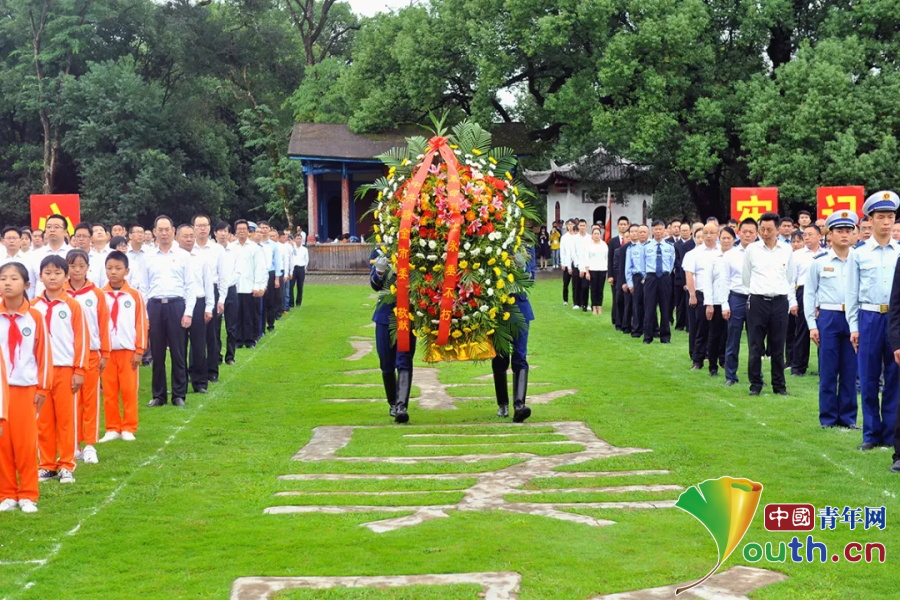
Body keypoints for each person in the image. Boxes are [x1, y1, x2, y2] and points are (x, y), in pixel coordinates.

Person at [848, 191, 900, 451]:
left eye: (891, 216)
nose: (886, 222)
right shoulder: (859, 253)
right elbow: (851, 292)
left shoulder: (899, 252)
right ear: (870, 219)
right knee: (868, 377)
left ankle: (890, 433)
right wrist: (854, 327)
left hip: (894, 318)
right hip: (868, 316)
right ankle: (870, 433)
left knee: (894, 377)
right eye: (881, 217)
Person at [32, 255, 89, 484]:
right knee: (43, 421)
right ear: (41, 276)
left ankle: (66, 464)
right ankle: (47, 464)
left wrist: (79, 370)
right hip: (40, 373)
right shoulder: (33, 307)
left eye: (57, 273)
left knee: (66, 419)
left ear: (66, 277)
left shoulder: (72, 305)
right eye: (48, 273)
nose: (52, 277)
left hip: (65, 370)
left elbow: (81, 339)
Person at [0, 262, 50, 513]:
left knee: (25, 443)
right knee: (3, 443)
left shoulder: (35, 317)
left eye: (13, 279)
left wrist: (42, 388)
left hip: (25, 388)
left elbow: (43, 355)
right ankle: (7, 493)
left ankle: (28, 493)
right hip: (1, 391)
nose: (7, 283)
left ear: (26, 285)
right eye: (2, 279)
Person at [807, 211, 859, 430]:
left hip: (854, 316)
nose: (845, 235)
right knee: (828, 370)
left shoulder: (859, 259)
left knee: (850, 370)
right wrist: (811, 325)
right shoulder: (819, 262)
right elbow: (809, 293)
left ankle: (847, 418)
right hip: (829, 316)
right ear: (830, 234)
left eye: (849, 230)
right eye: (840, 231)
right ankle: (827, 418)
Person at [141, 216, 197, 408]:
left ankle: (179, 394)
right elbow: (143, 288)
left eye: (167, 230)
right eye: (160, 230)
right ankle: (159, 395)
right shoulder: (147, 256)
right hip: (155, 306)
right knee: (157, 353)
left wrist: (188, 312)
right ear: (155, 231)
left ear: (173, 231)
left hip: (176, 305)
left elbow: (190, 286)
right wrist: (146, 315)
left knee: (178, 352)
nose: (164, 233)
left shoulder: (183, 256)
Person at [743, 212, 797, 396]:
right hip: (758, 301)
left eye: (770, 229)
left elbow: (790, 277)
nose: (766, 233)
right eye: (762, 229)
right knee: (755, 345)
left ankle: (779, 386)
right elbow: (746, 277)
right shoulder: (752, 249)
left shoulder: (787, 250)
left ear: (778, 229)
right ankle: (755, 385)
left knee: (777, 346)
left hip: (779, 302)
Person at [64, 249, 111, 465]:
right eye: (73, 266)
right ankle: (72, 445)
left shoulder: (97, 294)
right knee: (70, 402)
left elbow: (103, 325)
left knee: (90, 400)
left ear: (88, 268)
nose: (77, 270)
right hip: (67, 355)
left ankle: (90, 444)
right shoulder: (60, 293)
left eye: (81, 266)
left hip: (91, 353)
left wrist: (105, 352)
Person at [99, 251, 147, 443]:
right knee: (109, 391)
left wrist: (139, 350)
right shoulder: (100, 295)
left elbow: (141, 324)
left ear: (126, 271)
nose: (113, 272)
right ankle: (112, 427)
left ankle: (128, 426)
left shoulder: (134, 295)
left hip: (128, 351)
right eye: (110, 268)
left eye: (118, 268)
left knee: (128, 390)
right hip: (107, 352)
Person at [370, 249, 415, 423]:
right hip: (385, 316)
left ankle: (401, 406)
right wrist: (380, 272)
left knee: (404, 360)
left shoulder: (417, 250)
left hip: (408, 315)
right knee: (386, 363)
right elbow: (374, 285)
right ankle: (393, 403)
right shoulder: (381, 251)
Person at [493, 249, 535, 422]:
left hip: (520, 310)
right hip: (499, 310)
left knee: (520, 356)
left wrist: (517, 262)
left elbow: (530, 277)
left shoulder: (525, 249)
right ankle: (502, 404)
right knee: (500, 357)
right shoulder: (494, 245)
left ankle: (519, 405)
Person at [716, 218, 758, 387]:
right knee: (733, 338)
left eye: (751, 232)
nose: (748, 235)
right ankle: (731, 375)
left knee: (755, 339)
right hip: (737, 298)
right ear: (739, 233)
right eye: (745, 232)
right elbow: (724, 280)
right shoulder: (730, 254)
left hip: (756, 299)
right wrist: (724, 304)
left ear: (757, 234)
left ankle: (756, 375)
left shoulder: (761, 253)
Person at [178, 225, 214, 395]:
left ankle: (200, 382)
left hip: (199, 303)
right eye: (185, 236)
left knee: (199, 346)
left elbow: (208, 284)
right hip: (179, 304)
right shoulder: (174, 258)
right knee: (180, 347)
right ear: (177, 238)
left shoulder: (201, 258)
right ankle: (181, 383)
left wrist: (209, 307)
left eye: (191, 236)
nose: (189, 239)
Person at [191, 215, 224, 384]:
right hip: (194, 293)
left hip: (213, 291)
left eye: (205, 225)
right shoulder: (188, 248)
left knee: (212, 335)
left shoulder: (217, 249)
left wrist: (222, 299)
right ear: (193, 228)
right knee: (194, 336)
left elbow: (223, 276)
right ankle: (195, 371)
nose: (202, 228)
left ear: (210, 228)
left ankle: (212, 370)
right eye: (199, 225)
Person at [683, 224, 720, 369]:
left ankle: (718, 359)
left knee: (719, 330)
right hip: (701, 295)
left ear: (717, 234)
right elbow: (689, 275)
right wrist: (692, 295)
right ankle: (697, 360)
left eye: (712, 233)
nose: (709, 236)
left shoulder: (724, 252)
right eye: (706, 233)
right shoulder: (694, 253)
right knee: (701, 328)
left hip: (719, 296)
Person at [229, 220, 267, 352]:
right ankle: (238, 340)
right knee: (236, 316)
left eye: (244, 229)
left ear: (248, 231)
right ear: (235, 231)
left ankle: (250, 339)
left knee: (249, 315)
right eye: (239, 229)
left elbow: (259, 268)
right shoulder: (231, 247)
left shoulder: (254, 247)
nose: (241, 231)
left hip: (250, 287)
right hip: (235, 286)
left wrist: (258, 285)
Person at [703, 227, 734, 376]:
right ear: (719, 239)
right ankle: (713, 365)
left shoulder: (738, 256)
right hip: (716, 301)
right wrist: (708, 303)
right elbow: (707, 282)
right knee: (715, 334)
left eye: (729, 238)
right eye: (723, 238)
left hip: (733, 300)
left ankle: (727, 362)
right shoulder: (713, 257)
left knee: (730, 335)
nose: (726, 241)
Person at [790, 224, 821, 376]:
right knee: (802, 330)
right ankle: (798, 367)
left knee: (824, 330)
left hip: (823, 292)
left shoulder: (827, 253)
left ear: (820, 236)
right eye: (805, 235)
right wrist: (793, 302)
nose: (807, 238)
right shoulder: (797, 255)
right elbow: (791, 280)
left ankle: (824, 367)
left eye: (810, 234)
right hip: (802, 292)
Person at [642, 220, 675, 343]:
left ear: (664, 230)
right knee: (649, 307)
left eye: (660, 229)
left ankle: (665, 336)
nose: (658, 231)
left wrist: (665, 274)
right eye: (656, 229)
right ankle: (648, 336)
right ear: (652, 231)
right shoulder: (646, 247)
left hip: (665, 278)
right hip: (651, 277)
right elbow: (642, 264)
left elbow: (671, 264)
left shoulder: (669, 247)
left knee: (665, 307)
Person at [27, 214, 71, 299]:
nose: (52, 230)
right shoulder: (34, 255)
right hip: (40, 303)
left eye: (56, 227)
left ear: (65, 231)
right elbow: (31, 284)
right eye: (49, 227)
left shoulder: (72, 254)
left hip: (67, 302)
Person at [625, 224, 649, 337]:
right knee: (637, 304)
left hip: (650, 277)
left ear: (648, 233)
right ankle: (637, 329)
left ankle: (651, 328)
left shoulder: (652, 247)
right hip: (637, 277)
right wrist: (630, 283)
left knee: (650, 304)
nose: (642, 234)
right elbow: (628, 268)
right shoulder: (631, 249)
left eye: (644, 232)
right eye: (640, 232)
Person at [580, 225, 609, 315]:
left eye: (598, 234)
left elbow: (606, 258)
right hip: (592, 269)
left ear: (600, 234)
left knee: (600, 290)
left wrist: (607, 270)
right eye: (595, 234)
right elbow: (586, 259)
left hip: (602, 269)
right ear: (592, 235)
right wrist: (587, 272)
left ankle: (599, 307)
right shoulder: (589, 246)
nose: (596, 235)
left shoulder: (604, 245)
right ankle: (594, 307)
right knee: (593, 289)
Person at [607, 217, 629, 327]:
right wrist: (610, 275)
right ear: (617, 226)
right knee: (616, 298)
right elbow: (610, 259)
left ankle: (626, 319)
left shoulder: (631, 240)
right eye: (621, 224)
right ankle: (615, 320)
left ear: (628, 225)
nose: (623, 226)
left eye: (625, 224)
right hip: (616, 276)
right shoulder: (613, 241)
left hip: (628, 276)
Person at [673, 222, 695, 331]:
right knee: (680, 302)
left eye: (687, 230)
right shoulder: (676, 245)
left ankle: (688, 324)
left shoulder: (694, 244)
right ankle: (680, 324)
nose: (685, 232)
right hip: (679, 277)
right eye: (683, 230)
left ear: (690, 231)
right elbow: (677, 261)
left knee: (689, 302)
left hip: (691, 277)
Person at [614, 230, 633, 334]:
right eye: (626, 237)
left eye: (630, 236)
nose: (628, 238)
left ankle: (628, 324)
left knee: (629, 304)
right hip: (621, 280)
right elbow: (617, 267)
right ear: (623, 239)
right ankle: (618, 324)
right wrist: (622, 281)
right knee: (619, 303)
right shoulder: (619, 251)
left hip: (631, 281)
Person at [559, 220, 577, 306]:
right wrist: (563, 263)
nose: (570, 226)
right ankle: (565, 299)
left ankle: (575, 300)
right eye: (568, 224)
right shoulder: (564, 237)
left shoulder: (576, 236)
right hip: (566, 262)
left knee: (575, 283)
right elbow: (562, 251)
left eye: (571, 224)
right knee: (566, 283)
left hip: (575, 262)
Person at [573, 220, 590, 311]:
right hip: (577, 264)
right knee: (577, 284)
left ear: (586, 226)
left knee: (586, 286)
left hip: (587, 265)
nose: (582, 227)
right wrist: (580, 267)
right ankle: (577, 303)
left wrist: (584, 267)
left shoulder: (589, 238)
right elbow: (574, 253)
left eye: (584, 225)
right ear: (578, 226)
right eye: (581, 225)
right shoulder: (575, 238)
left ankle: (585, 303)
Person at [291, 234, 309, 308]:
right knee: (291, 286)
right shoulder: (292, 248)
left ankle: (298, 302)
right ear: (295, 239)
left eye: (300, 239)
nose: (299, 240)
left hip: (301, 268)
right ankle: (291, 303)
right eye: (297, 238)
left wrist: (304, 267)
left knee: (300, 286)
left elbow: (306, 259)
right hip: (293, 268)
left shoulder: (304, 249)